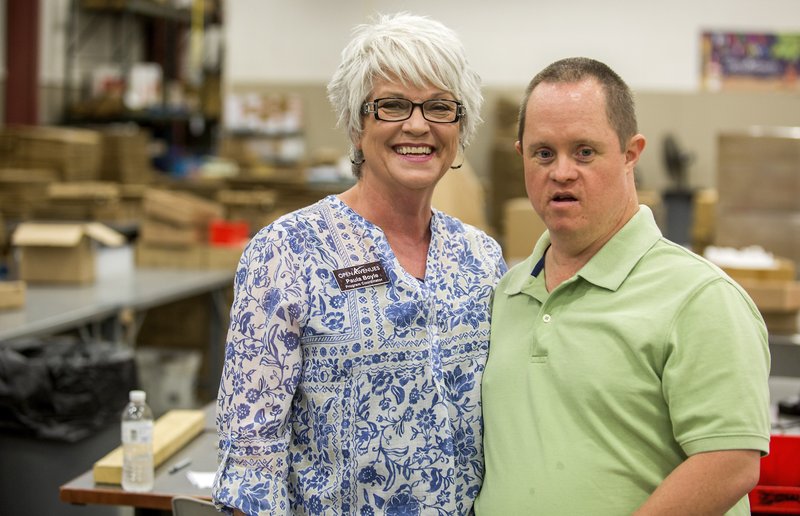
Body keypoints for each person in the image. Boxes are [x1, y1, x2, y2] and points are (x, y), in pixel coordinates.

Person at [212, 12, 507, 516]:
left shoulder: (481, 258)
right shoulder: (287, 252)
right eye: (391, 105)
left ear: (460, 127)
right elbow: (251, 464)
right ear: (356, 123)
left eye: (440, 107)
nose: (417, 125)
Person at [474, 57, 771, 515]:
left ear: (631, 154)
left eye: (585, 151)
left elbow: (729, 462)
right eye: (544, 153)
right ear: (522, 158)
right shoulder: (506, 292)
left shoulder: (699, 297)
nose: (562, 172)